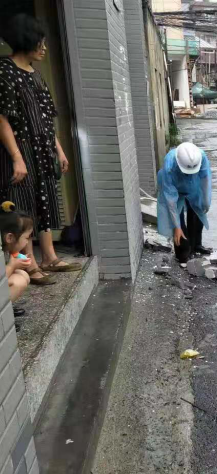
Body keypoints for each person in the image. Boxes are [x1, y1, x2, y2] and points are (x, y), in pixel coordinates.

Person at [0, 14, 82, 285]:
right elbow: (2, 118)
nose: (44, 48)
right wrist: (16, 157)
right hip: (21, 149)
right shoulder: (4, 70)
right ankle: (29, 264)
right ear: (26, 40)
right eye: (40, 42)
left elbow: (46, 119)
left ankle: (49, 257)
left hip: (43, 149)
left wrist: (59, 150)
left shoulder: (36, 74)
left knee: (44, 203)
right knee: (22, 207)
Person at [157, 142, 212, 263]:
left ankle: (196, 245)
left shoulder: (201, 157)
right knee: (178, 217)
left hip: (194, 185)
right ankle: (183, 251)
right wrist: (177, 226)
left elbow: (205, 180)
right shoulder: (169, 165)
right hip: (175, 187)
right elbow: (171, 201)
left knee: (197, 213)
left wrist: (206, 201)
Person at [0, 202, 33, 324]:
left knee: (22, 274)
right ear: (10, 238)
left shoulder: (6, 250)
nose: (27, 242)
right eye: (26, 238)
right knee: (18, 282)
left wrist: (17, 263)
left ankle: (5, 308)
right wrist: (12, 265)